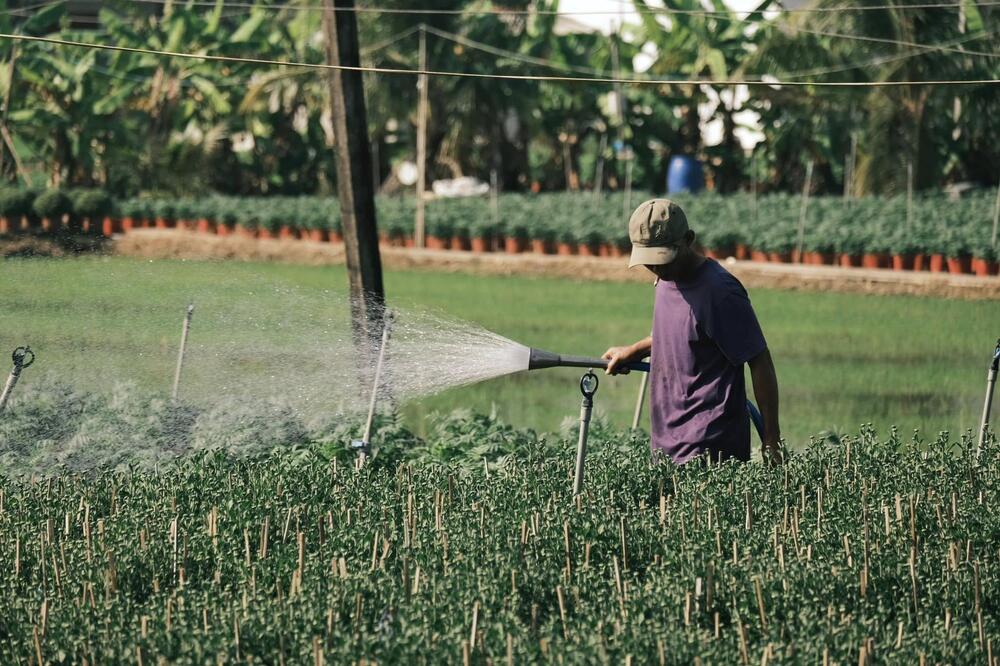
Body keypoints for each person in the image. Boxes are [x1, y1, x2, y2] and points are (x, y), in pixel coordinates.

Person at [602, 199, 783, 465]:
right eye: (649, 262)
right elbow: (680, 335)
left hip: (711, 449)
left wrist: (771, 440)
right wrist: (633, 351)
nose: (657, 268)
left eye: (662, 259)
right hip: (666, 443)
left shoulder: (720, 292)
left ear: (688, 240)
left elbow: (759, 360)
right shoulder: (666, 278)